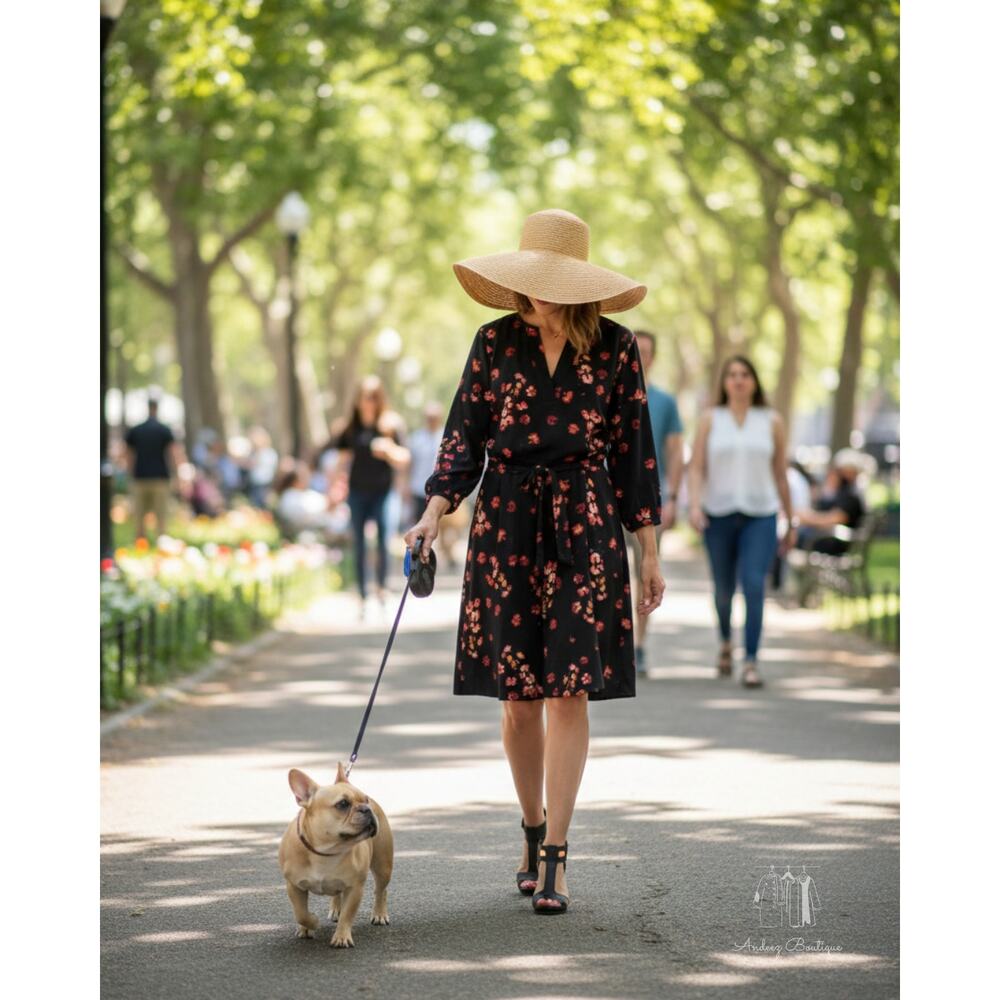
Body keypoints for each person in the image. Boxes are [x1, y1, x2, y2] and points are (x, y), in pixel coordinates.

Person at [403, 208, 665, 915]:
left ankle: (557, 853)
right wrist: (433, 512)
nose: (543, 293)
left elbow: (635, 454)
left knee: (570, 689)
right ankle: (529, 826)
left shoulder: (614, 349)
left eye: (557, 281)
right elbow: (463, 438)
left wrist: (649, 549)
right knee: (519, 700)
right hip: (508, 523)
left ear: (581, 284)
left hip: (585, 522)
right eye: (535, 279)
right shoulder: (493, 344)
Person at [686, 356, 797, 688]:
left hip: (760, 514)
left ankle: (750, 660)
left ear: (754, 381)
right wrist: (694, 506)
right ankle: (724, 642)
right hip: (718, 513)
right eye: (731, 375)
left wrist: (790, 520)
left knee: (753, 584)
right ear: (723, 382)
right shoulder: (710, 419)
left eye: (744, 374)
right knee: (723, 590)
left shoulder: (771, 421)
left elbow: (780, 474)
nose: (737, 380)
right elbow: (697, 467)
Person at [628, 329, 684, 677]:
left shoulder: (664, 402)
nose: (640, 356)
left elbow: (676, 451)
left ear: (653, 357)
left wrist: (675, 496)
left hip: (648, 502)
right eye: (635, 350)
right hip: (605, 498)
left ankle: (639, 646)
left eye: (646, 351)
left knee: (644, 574)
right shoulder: (606, 393)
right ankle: (608, 643)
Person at [331, 376, 410, 618]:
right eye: (365, 397)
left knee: (383, 541)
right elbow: (341, 461)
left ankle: (383, 589)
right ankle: (363, 596)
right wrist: (333, 490)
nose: (368, 402)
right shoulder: (350, 429)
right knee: (360, 543)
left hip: (383, 492)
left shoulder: (390, 425)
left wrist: (389, 451)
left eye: (373, 397)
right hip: (357, 492)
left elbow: (405, 458)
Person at [124, 393, 182, 542]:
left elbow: (129, 455)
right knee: (161, 514)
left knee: (139, 514)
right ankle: (161, 541)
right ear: (157, 408)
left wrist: (129, 474)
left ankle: (140, 541)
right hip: (160, 477)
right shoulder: (164, 430)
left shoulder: (136, 430)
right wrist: (177, 475)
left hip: (140, 476)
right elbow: (173, 454)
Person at [795, 449, 870, 555]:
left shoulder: (851, 496)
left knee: (792, 537)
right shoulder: (845, 493)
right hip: (826, 537)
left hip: (832, 542)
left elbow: (834, 519)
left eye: (839, 471)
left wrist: (807, 519)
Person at [247, 427, 279, 509]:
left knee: (263, 505)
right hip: (255, 483)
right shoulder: (254, 453)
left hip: (265, 483)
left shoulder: (269, 453)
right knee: (255, 505)